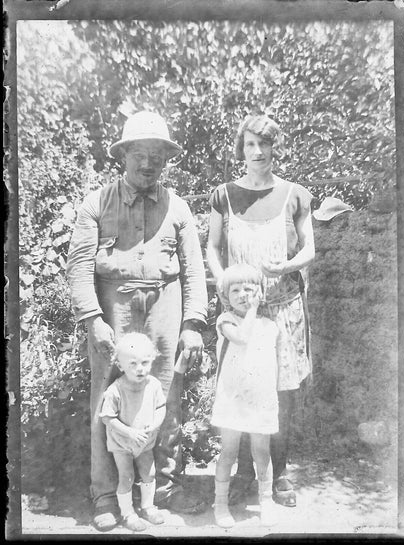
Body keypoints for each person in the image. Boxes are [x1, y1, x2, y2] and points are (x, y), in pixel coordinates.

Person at [67, 111, 208, 531]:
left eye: (156, 155)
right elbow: (77, 268)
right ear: (123, 155)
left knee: (165, 391)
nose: (147, 163)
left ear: (165, 159)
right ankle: (107, 495)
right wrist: (92, 317)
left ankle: (160, 489)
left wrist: (192, 323)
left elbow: (194, 269)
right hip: (114, 306)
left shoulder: (177, 207)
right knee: (106, 397)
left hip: (165, 305)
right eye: (139, 154)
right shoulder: (96, 203)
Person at [207, 114, 315, 508]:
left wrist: (287, 266)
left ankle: (279, 473)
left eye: (264, 144)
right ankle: (242, 475)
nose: (258, 152)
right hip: (241, 313)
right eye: (250, 144)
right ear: (242, 150)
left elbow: (309, 248)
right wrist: (223, 283)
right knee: (241, 385)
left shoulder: (295, 194)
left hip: (284, 309)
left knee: (279, 392)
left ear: (274, 148)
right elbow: (212, 249)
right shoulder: (223, 196)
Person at [211, 264, 279, 527]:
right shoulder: (226, 320)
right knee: (228, 451)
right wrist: (252, 310)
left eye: (249, 289)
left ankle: (266, 502)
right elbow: (241, 338)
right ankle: (220, 505)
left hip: (260, 398)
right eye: (235, 290)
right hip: (233, 397)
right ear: (226, 296)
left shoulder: (269, 325)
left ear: (259, 292)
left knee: (261, 451)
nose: (242, 294)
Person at [100, 333, 166, 531]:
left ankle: (148, 507)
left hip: (145, 442)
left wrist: (155, 423)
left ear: (152, 361)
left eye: (145, 362)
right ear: (120, 366)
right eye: (133, 364)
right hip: (122, 443)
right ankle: (127, 514)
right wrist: (128, 432)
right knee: (126, 476)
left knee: (149, 473)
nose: (140, 368)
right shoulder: (115, 389)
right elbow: (107, 417)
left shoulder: (153, 385)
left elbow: (161, 407)